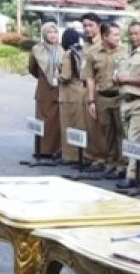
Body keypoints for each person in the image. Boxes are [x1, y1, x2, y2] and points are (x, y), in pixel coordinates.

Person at [112, 21, 140, 189]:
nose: (133, 37)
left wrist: (126, 79)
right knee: (129, 139)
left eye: (137, 33)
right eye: (130, 34)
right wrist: (117, 78)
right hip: (125, 100)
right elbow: (119, 74)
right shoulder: (127, 54)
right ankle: (138, 173)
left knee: (134, 139)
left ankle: (132, 176)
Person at [85, 22, 126, 179]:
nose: (118, 37)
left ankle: (123, 164)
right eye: (115, 34)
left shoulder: (125, 52)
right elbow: (90, 79)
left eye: (118, 34)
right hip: (102, 97)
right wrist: (91, 101)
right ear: (104, 36)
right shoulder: (93, 54)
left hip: (120, 96)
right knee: (107, 131)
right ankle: (110, 162)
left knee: (122, 132)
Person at [27, 21, 63, 160]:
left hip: (58, 89)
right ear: (44, 34)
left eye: (55, 32)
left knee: (57, 121)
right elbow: (32, 68)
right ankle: (42, 149)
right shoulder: (37, 49)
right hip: (44, 89)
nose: (53, 35)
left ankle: (57, 149)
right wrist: (44, 76)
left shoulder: (62, 50)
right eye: (49, 32)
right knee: (42, 120)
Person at [79, 12, 109, 171]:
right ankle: (90, 155)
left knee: (98, 125)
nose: (87, 29)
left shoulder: (102, 45)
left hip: (98, 88)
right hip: (85, 88)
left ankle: (100, 158)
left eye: (90, 25)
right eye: (84, 26)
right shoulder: (86, 45)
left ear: (98, 26)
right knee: (89, 125)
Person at [57, 28, 88, 164]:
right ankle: (80, 154)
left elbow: (65, 76)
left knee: (68, 125)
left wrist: (56, 76)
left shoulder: (67, 54)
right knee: (80, 125)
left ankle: (70, 156)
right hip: (80, 91)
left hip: (69, 93)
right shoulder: (80, 52)